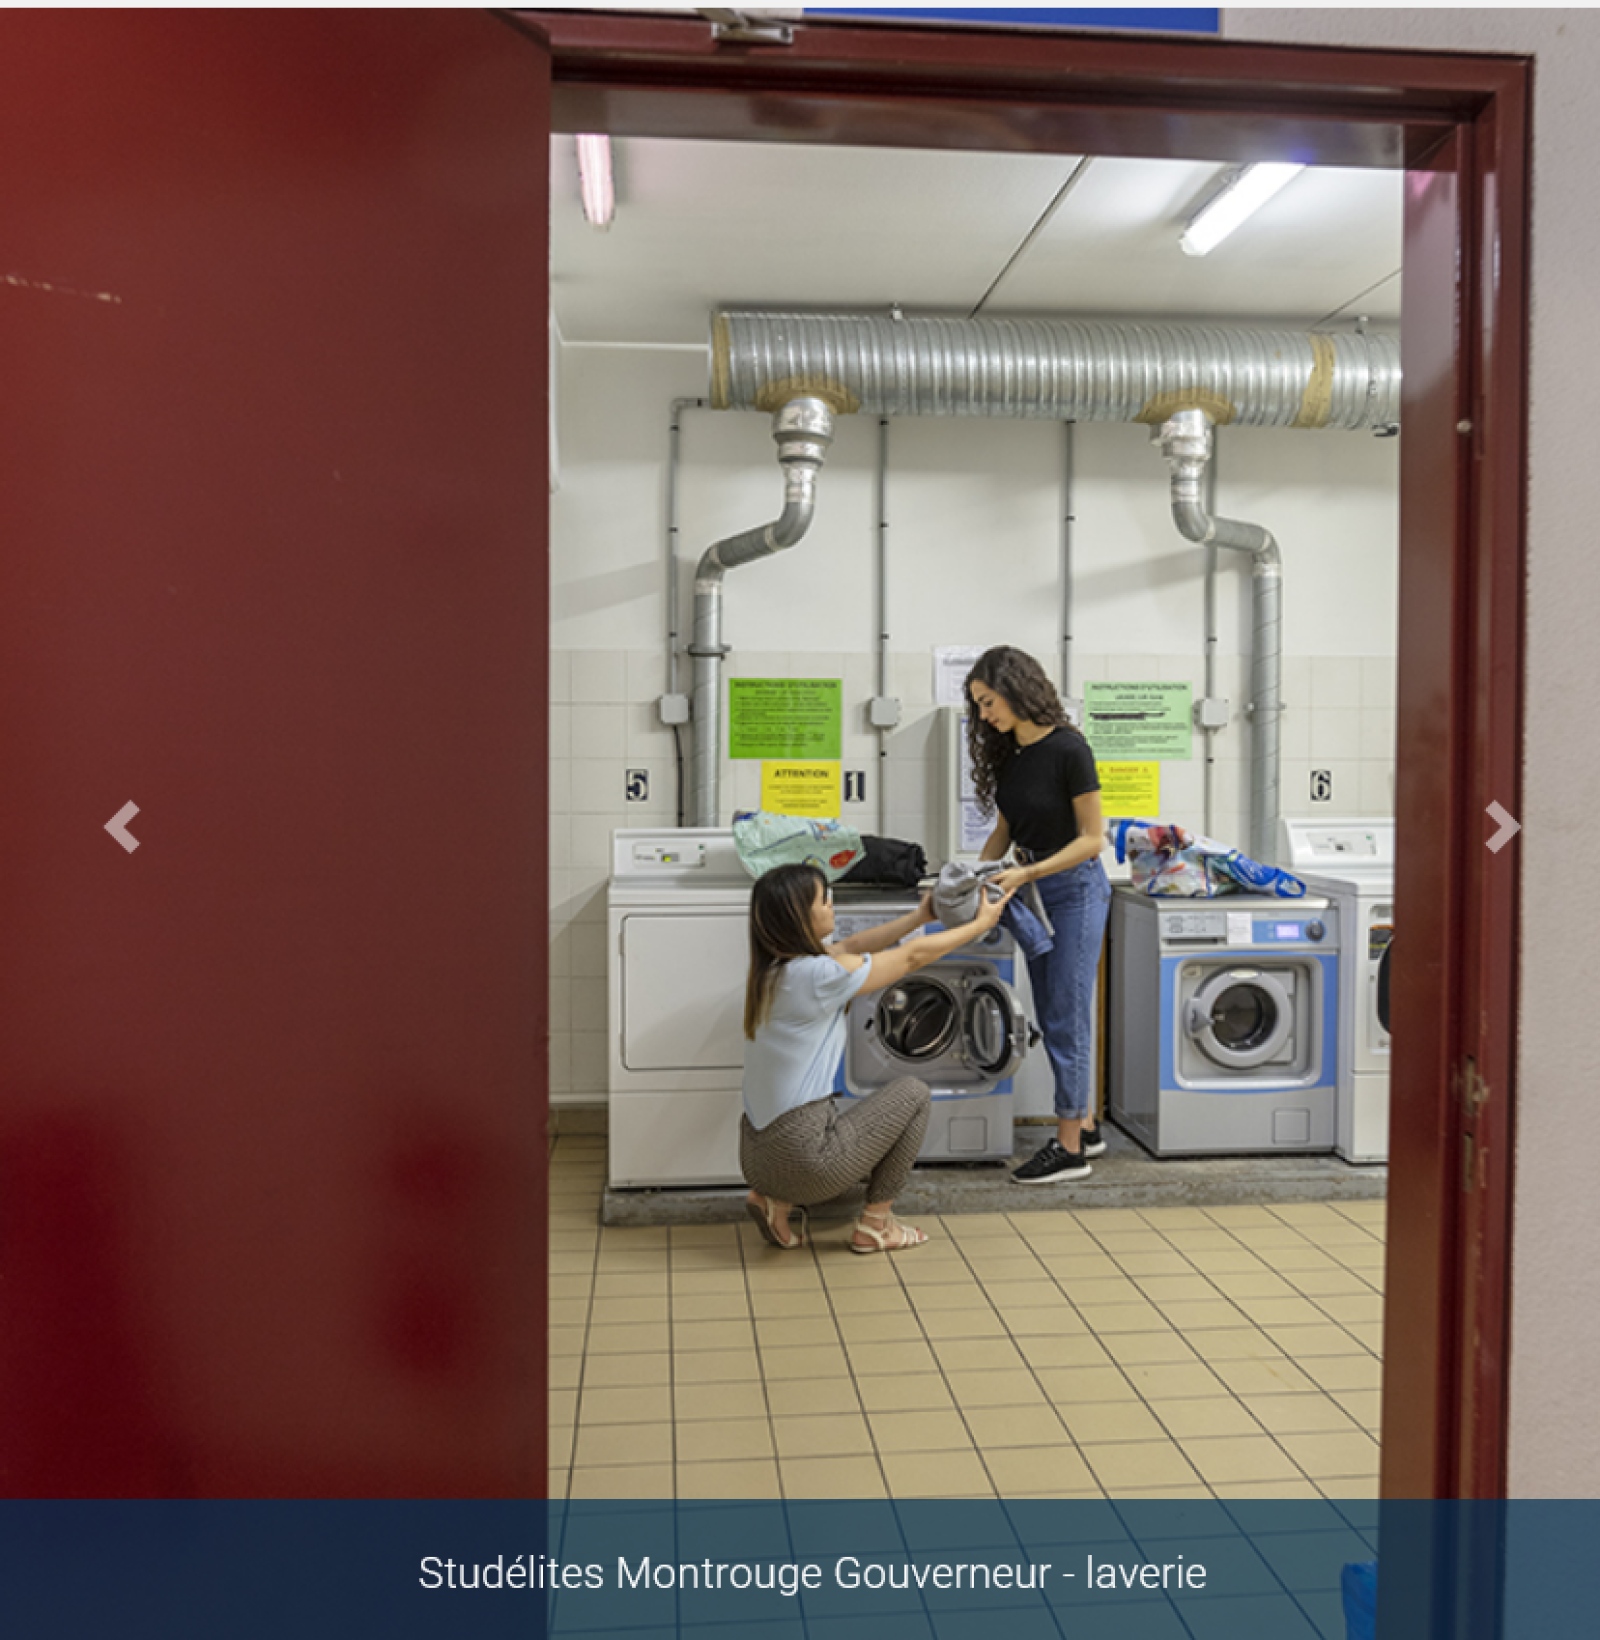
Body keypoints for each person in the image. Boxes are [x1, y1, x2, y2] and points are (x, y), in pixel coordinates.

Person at [740, 862, 1014, 1253]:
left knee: (828, 1122)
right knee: (913, 1093)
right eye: (824, 899)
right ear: (799, 915)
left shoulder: (774, 972)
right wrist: (979, 926)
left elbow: (851, 946)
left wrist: (919, 916)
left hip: (756, 1158)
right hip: (804, 1159)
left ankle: (775, 1201)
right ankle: (876, 1225)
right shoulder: (818, 976)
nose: (832, 905)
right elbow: (911, 959)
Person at [965, 645, 1111, 1185]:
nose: (984, 715)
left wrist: (1027, 873)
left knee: (1066, 1016)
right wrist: (975, 876)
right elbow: (1004, 831)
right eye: (978, 706)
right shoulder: (1013, 756)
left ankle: (1069, 1148)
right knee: (1054, 1013)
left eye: (988, 701)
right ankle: (1086, 1126)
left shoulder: (1070, 749)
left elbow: (1093, 840)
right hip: (1032, 890)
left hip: (1074, 890)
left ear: (1016, 689)